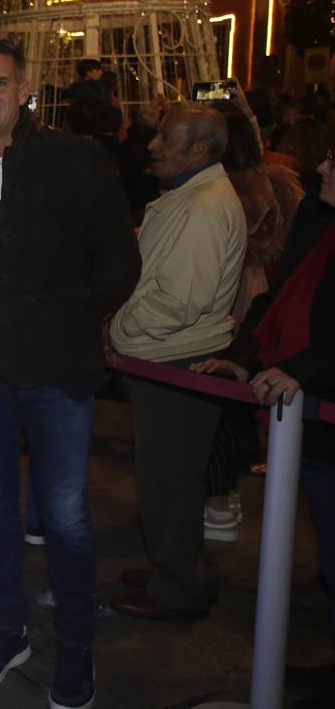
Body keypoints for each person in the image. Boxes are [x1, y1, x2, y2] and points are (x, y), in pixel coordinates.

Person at [0, 37, 139, 709]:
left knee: (68, 515)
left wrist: (68, 320)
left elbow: (117, 266)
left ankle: (77, 645)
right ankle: (6, 627)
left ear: (25, 90)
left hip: (57, 369)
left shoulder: (76, 161)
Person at [193, 145, 335, 666]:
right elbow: (277, 297)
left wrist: (306, 368)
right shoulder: (318, 221)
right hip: (307, 415)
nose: (320, 169)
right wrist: (242, 357)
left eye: (333, 161)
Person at [108, 103, 246, 621]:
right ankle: (180, 567)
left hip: (175, 359)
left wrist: (118, 329)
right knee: (173, 478)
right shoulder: (193, 196)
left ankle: (175, 587)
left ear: (202, 150)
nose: (153, 145)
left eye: (167, 138)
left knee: (169, 480)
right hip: (173, 355)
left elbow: (177, 301)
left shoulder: (204, 205)